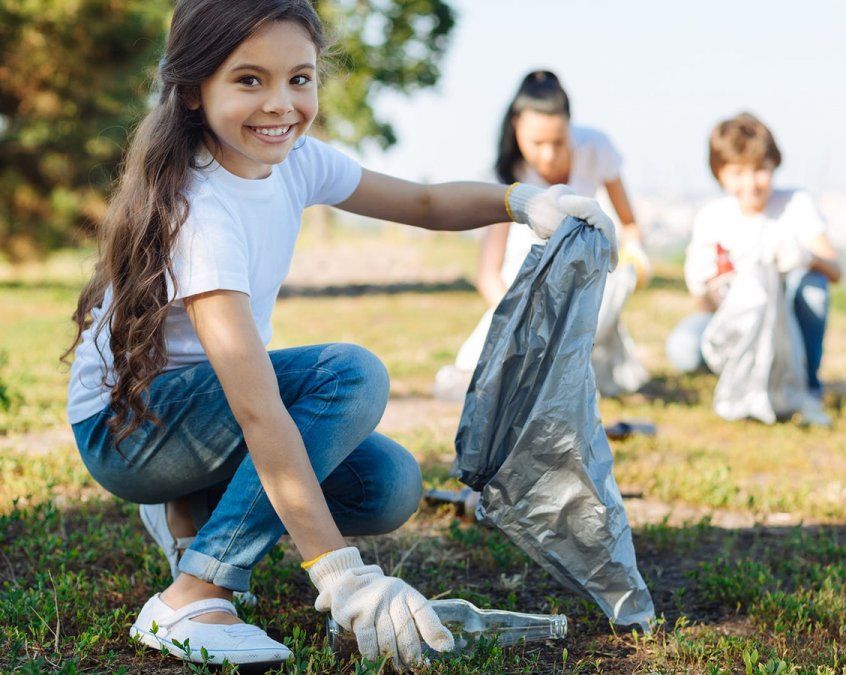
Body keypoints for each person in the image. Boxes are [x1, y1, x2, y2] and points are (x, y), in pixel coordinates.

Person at [62, 1, 618, 669]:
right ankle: (194, 589)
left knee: (389, 483)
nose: (280, 103)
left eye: (299, 78)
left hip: (194, 417)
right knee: (349, 375)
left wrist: (522, 201)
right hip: (129, 430)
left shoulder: (295, 162)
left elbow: (422, 202)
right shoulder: (200, 208)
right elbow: (256, 408)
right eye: (248, 80)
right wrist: (340, 575)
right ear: (191, 92)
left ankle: (196, 507)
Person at [435, 71, 650, 401]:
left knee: (600, 303)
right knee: (473, 373)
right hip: (524, 291)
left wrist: (635, 258)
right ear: (515, 128)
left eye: (558, 142)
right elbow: (488, 274)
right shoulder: (505, 175)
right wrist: (524, 317)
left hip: (586, 284)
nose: (548, 155)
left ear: (570, 128)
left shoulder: (595, 146)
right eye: (537, 143)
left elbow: (630, 224)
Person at [666, 112, 841, 423]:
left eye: (760, 170)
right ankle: (739, 377)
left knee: (813, 286)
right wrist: (701, 284)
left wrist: (806, 257)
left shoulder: (795, 204)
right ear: (720, 173)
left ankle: (807, 386)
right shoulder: (713, 217)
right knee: (683, 348)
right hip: (735, 325)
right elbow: (706, 307)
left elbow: (835, 270)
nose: (751, 183)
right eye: (738, 172)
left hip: (788, 325)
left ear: (774, 165)